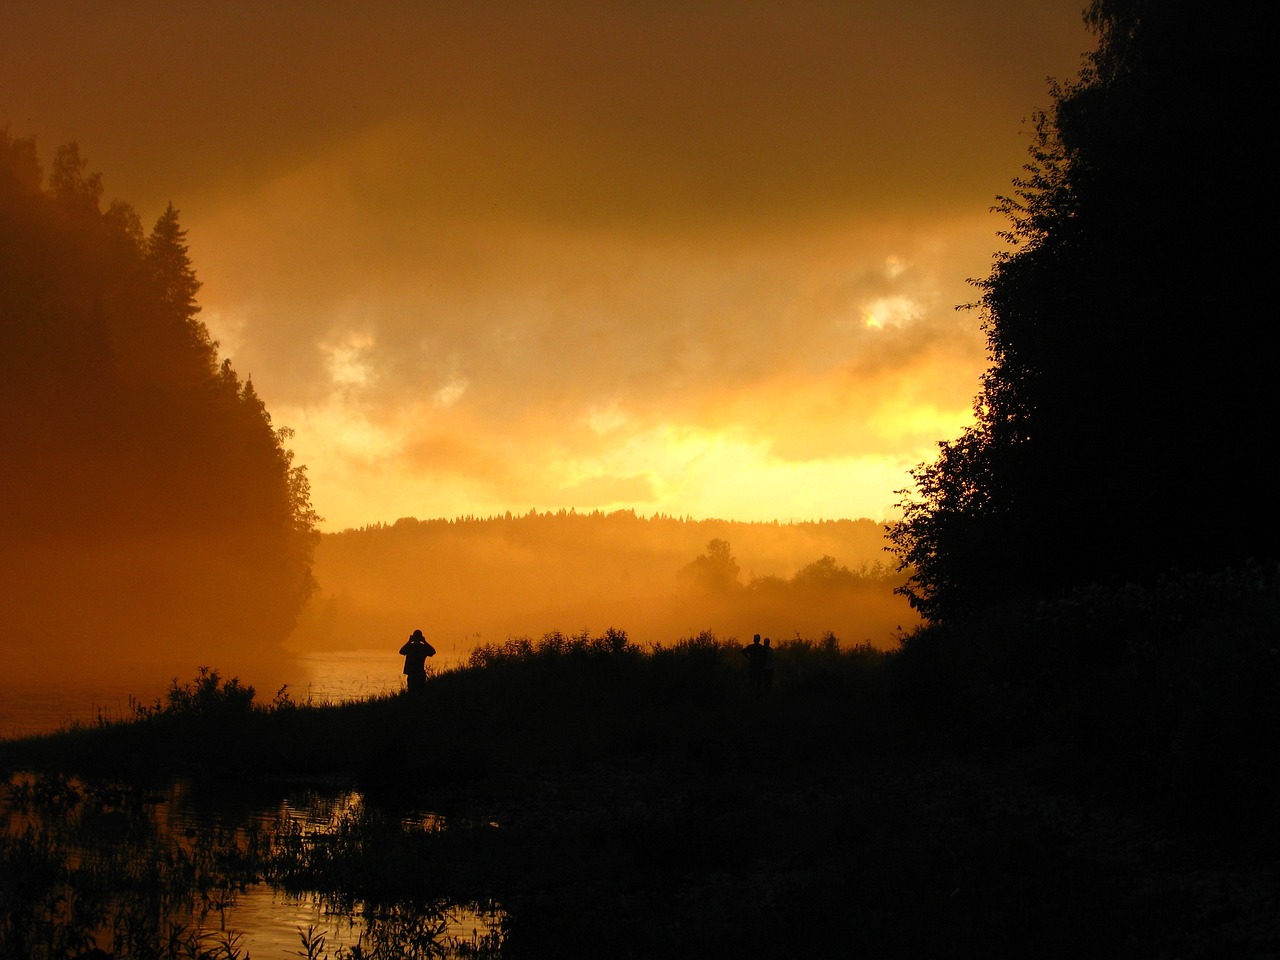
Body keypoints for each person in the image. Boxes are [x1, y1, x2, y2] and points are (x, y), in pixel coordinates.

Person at [399, 629, 435, 694]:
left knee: (415, 692)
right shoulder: (421, 647)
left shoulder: (412, 647)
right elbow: (401, 651)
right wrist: (424, 642)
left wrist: (409, 641)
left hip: (416, 674)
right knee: (418, 692)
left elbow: (433, 652)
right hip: (416, 674)